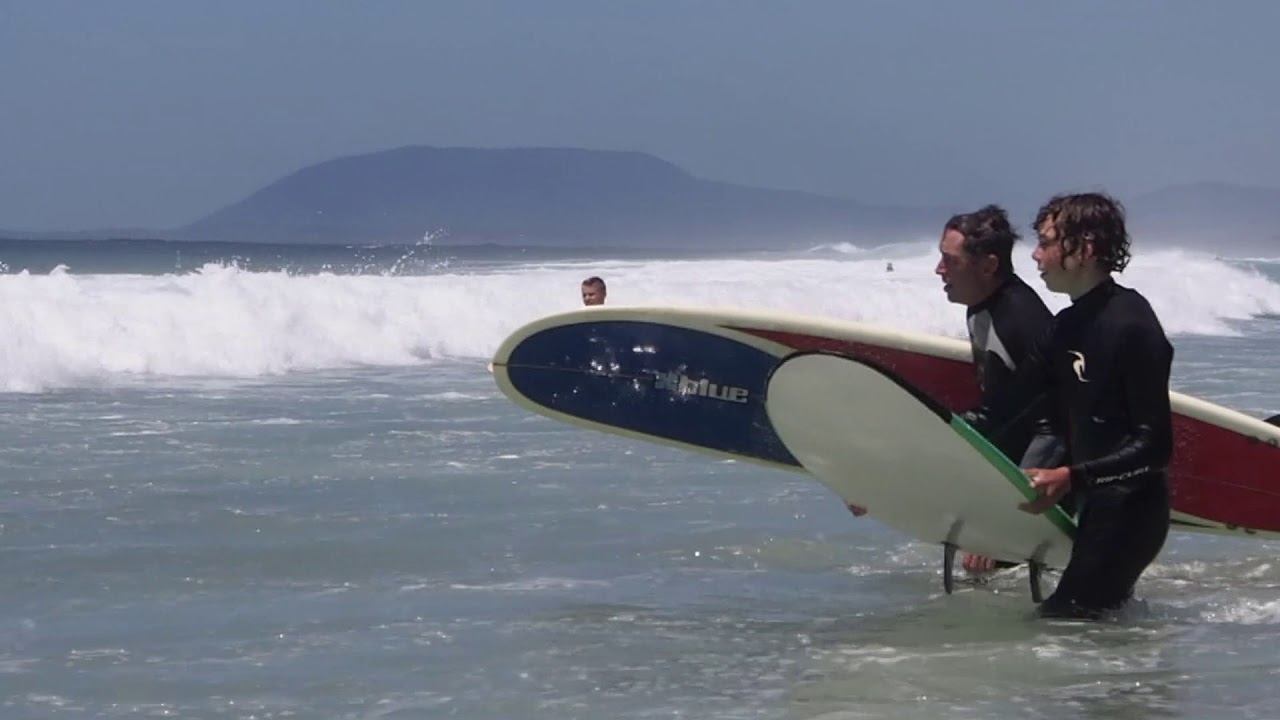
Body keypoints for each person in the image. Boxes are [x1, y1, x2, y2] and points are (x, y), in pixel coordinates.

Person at [964, 191, 1174, 619]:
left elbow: (1155, 447)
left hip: (1131, 512)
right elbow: (998, 411)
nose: (1036, 257)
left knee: (1061, 626)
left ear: (1085, 249)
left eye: (1046, 243)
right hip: (1094, 507)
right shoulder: (1065, 328)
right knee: (1084, 638)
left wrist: (1070, 477)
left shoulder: (1133, 325)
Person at [934, 204, 1067, 575]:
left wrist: (1009, 516)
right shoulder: (982, 306)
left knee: (995, 568)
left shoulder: (1018, 317)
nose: (939, 270)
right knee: (981, 568)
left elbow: (1059, 411)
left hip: (1047, 445)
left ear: (988, 266)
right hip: (1015, 440)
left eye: (950, 261)